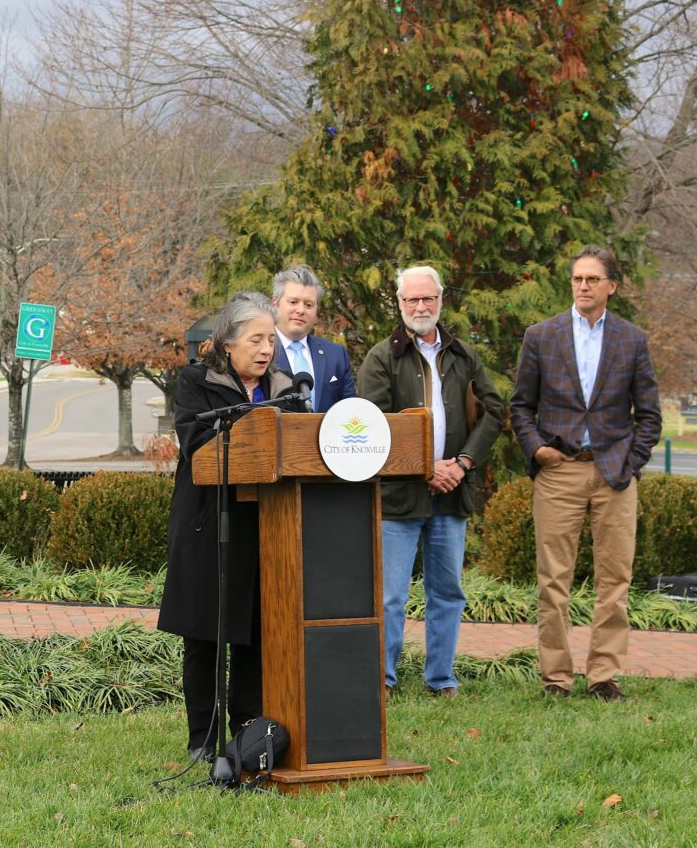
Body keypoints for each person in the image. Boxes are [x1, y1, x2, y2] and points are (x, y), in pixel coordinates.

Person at [510, 245, 661, 701]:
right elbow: (521, 407)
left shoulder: (632, 339)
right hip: (559, 473)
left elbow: (649, 415)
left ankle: (603, 677)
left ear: (611, 286)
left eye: (592, 279)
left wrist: (630, 463)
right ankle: (556, 678)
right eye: (577, 279)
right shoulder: (542, 336)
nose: (583, 286)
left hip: (615, 475)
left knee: (614, 580)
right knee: (553, 580)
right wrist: (537, 450)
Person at [158, 292, 294, 761]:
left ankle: (245, 736)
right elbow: (195, 442)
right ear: (228, 342)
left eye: (271, 340)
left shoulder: (286, 386)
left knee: (255, 634)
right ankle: (203, 738)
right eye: (256, 339)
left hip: (265, 527)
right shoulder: (197, 381)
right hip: (206, 523)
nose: (266, 349)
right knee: (205, 635)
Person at [357, 265, 503, 697]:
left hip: (452, 494)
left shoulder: (463, 354)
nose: (421, 306)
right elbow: (373, 425)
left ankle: (441, 680)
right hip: (400, 497)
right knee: (390, 597)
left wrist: (461, 462)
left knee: (448, 592)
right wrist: (426, 467)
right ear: (399, 304)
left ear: (441, 300)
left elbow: (494, 410)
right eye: (411, 300)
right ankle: (383, 679)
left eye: (428, 298)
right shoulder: (382, 357)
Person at [269, 265, 356, 413]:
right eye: (293, 302)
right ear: (275, 305)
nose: (301, 310)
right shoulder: (262, 352)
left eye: (308, 305)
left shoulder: (336, 355)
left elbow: (350, 410)